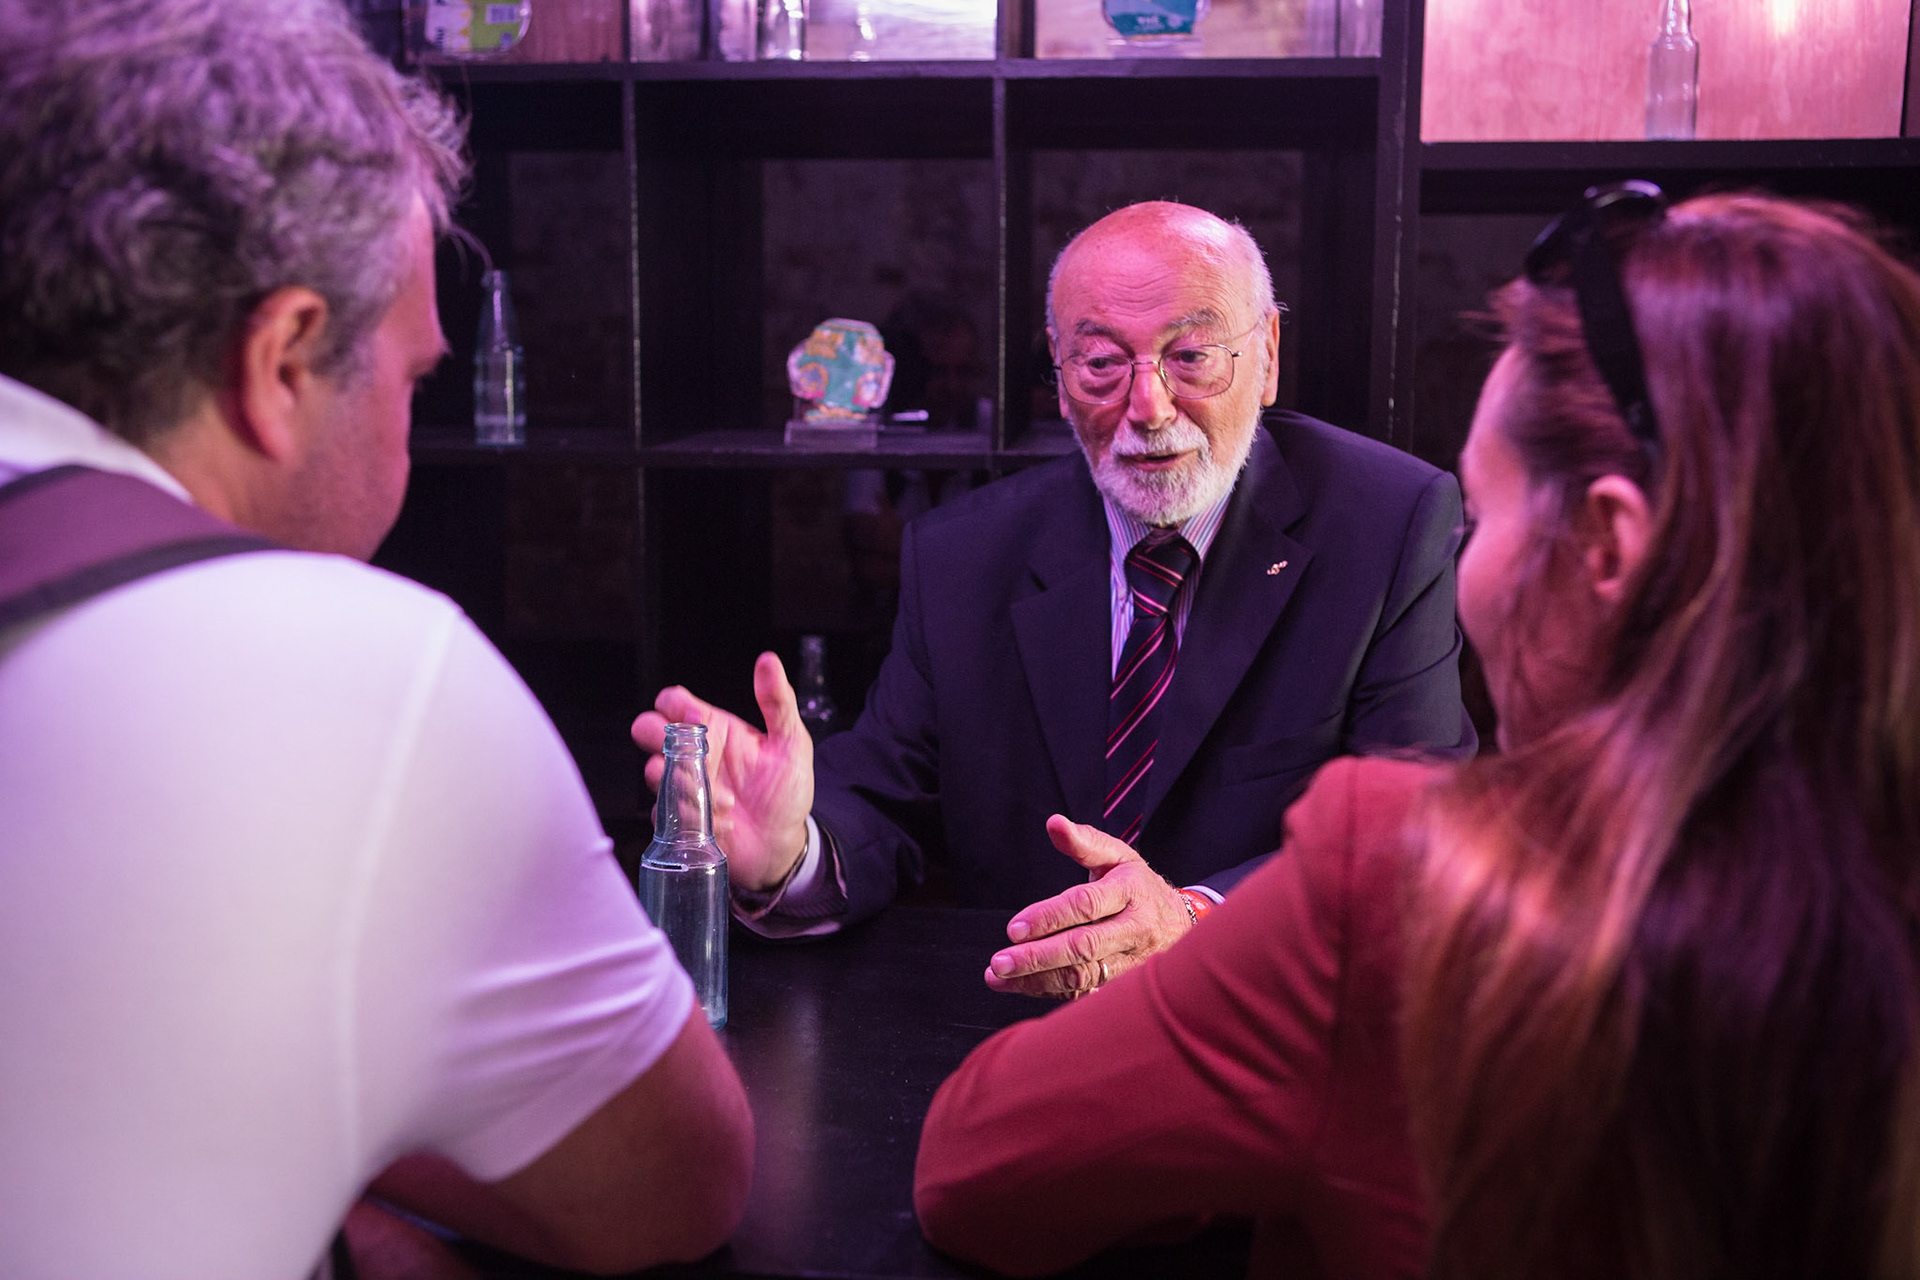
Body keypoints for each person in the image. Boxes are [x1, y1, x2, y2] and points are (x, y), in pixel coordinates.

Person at [913, 187, 1920, 1278]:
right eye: (1102, 361)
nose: (1466, 559)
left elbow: (975, 1167)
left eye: (1485, 517)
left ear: (1610, 546)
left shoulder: (1398, 876)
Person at [0, 2, 752, 1276]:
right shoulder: (366, 671)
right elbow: (675, 1187)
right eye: (411, 380)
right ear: (283, 358)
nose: (411, 435)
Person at [634, 201, 1476, 995]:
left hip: (1270, 1030)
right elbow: (883, 798)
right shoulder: (964, 557)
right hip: (1022, 1031)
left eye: (1191, 357)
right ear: (1060, 368)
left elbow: (1411, 835)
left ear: (1266, 358)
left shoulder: (1386, 524)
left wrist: (1193, 918)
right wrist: (790, 857)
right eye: (1103, 363)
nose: (1147, 408)